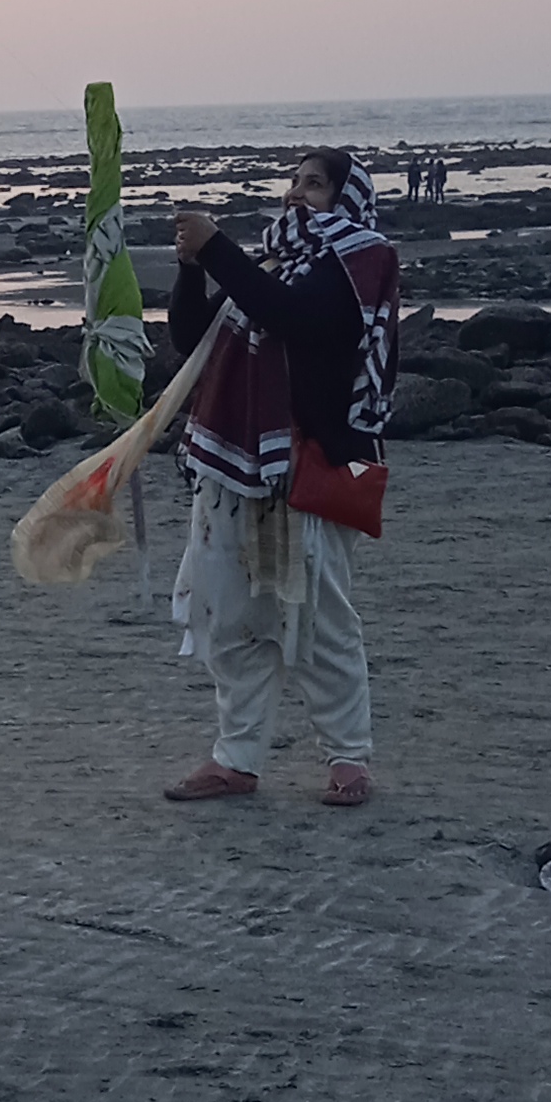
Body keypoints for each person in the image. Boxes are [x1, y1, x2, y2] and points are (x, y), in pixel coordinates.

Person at [163, 149, 399, 809]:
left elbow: (292, 317)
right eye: (294, 182)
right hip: (238, 471)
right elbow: (191, 336)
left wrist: (217, 250)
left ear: (347, 198)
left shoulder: (360, 259)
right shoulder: (274, 261)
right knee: (233, 616)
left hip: (307, 466)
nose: (297, 193)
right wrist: (191, 267)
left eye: (314, 184)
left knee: (319, 618)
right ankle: (235, 760)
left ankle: (348, 758)